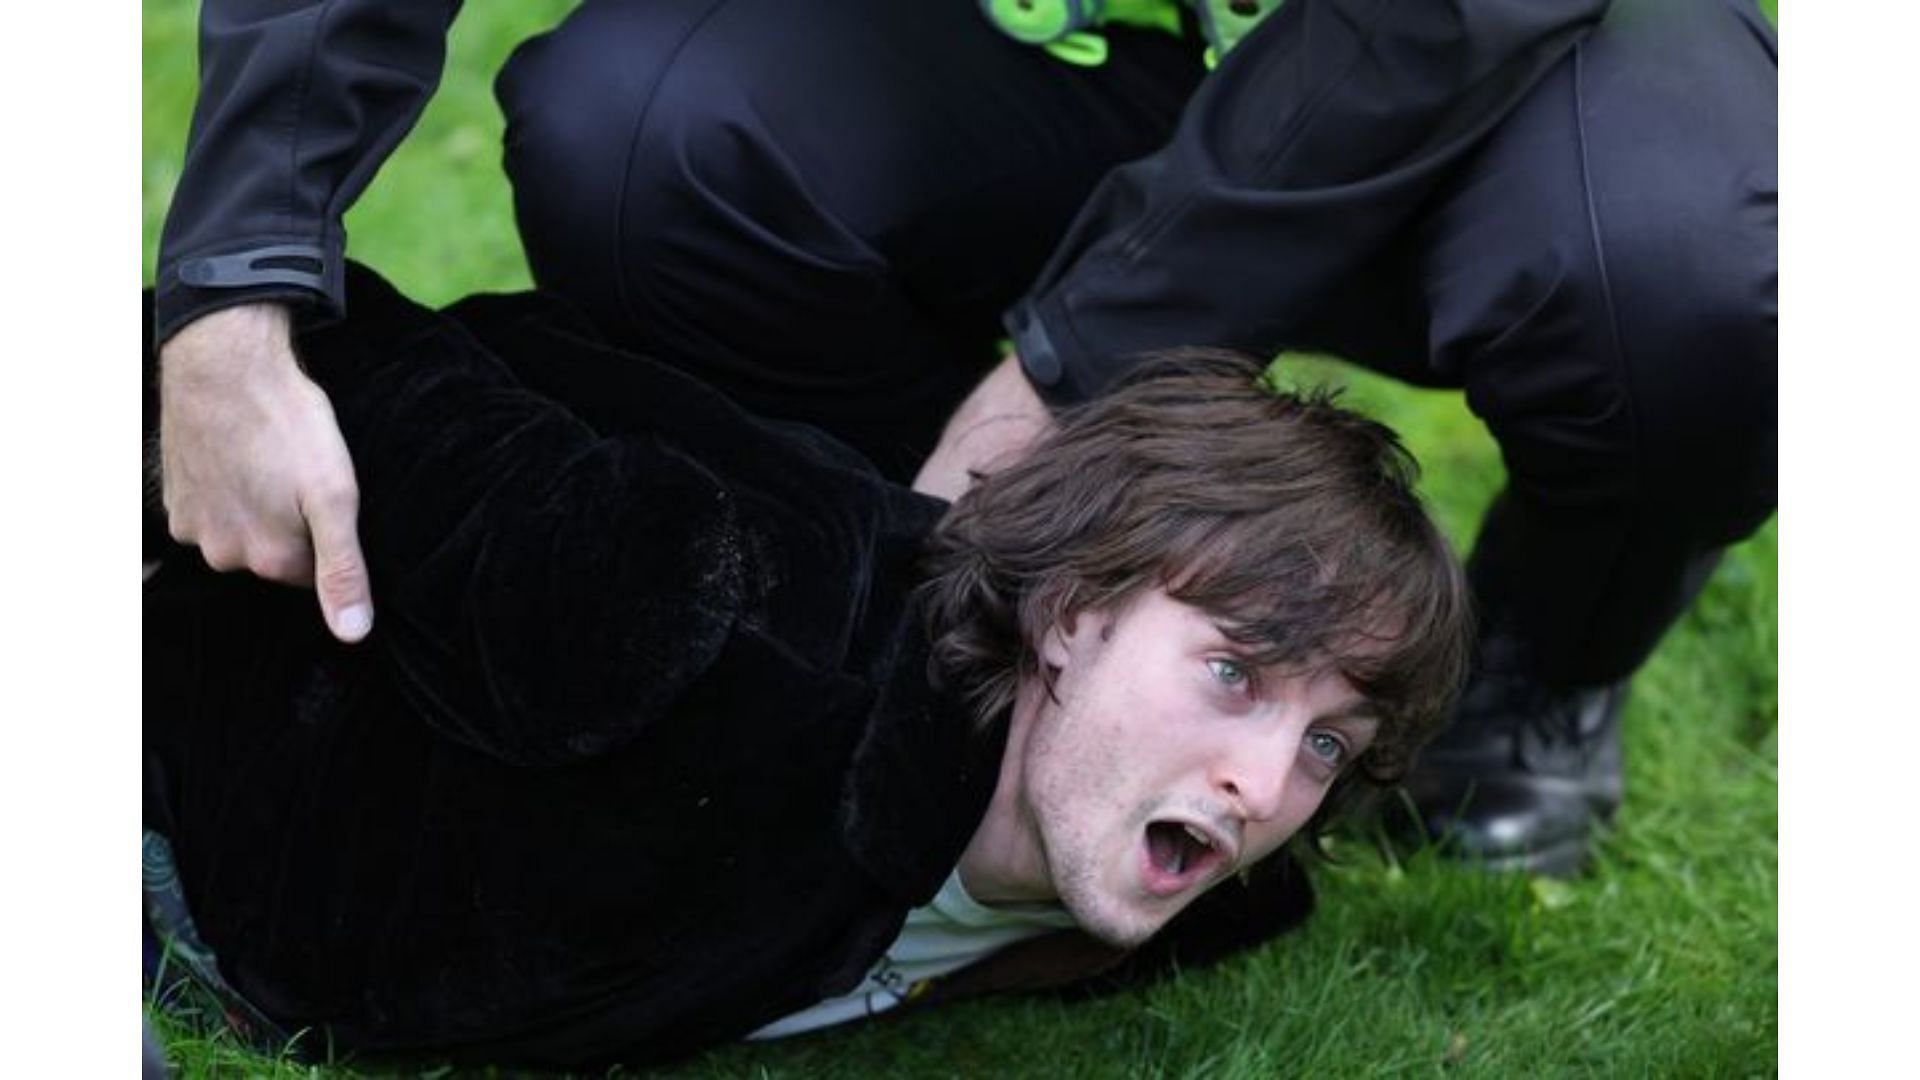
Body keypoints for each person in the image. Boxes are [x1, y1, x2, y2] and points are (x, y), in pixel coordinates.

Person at [150, 0, 1775, 873]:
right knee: (649, 130)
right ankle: (918, 642)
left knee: (1706, 283)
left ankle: (1538, 683)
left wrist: (1081, 356)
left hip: (1495, 54)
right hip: (1054, 37)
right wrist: (230, 280)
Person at [142, 263, 1471, 1068]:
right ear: (1071, 613)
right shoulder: (699, 619)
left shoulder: (1196, 887)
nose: (1260, 783)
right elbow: (304, 369)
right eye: (1237, 673)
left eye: (1324, 743)